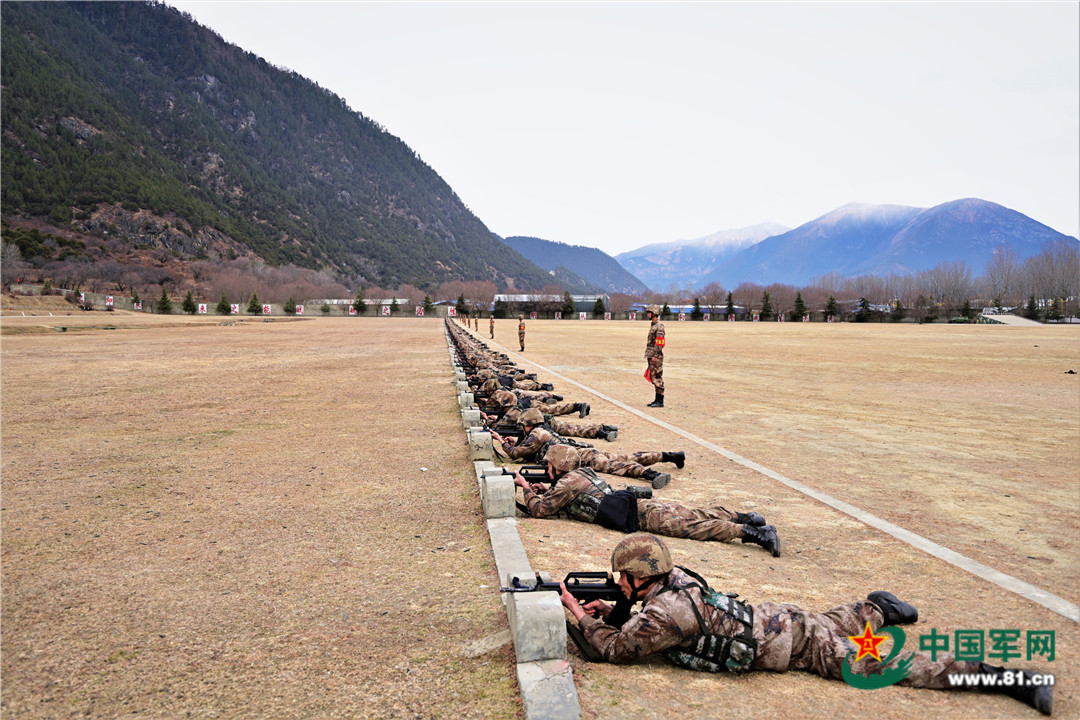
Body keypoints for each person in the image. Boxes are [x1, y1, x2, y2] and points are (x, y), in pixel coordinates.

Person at [557, 534, 1052, 716]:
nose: (619, 584)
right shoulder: (676, 581)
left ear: (640, 578)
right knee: (833, 621)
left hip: (798, 647)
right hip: (782, 619)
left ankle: (1012, 679)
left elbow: (616, 651)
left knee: (895, 667)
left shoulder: (665, 614)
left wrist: (576, 611)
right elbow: (641, 623)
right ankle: (877, 607)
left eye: (623, 578)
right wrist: (611, 610)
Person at [514, 448, 779, 554]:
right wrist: (543, 488)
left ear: (558, 465)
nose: (547, 468)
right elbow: (568, 498)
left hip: (641, 516)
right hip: (638, 506)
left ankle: (754, 533)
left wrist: (525, 488)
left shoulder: (567, 483)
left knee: (692, 527)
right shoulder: (581, 473)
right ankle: (744, 516)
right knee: (693, 513)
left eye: (549, 465)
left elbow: (540, 510)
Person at [644, 304, 665, 407]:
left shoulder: (659, 327)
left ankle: (660, 401)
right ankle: (657, 400)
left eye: (649, 313)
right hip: (651, 355)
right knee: (653, 377)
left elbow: (660, 343)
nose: (648, 314)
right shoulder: (653, 325)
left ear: (654, 313)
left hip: (655, 356)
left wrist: (655, 356)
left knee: (657, 377)